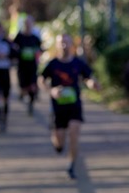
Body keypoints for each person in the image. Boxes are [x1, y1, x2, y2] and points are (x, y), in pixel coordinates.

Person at [41, 32, 96, 178]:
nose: (64, 45)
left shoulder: (78, 63)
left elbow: (88, 77)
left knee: (73, 134)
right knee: (59, 142)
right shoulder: (53, 64)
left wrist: (92, 84)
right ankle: (58, 145)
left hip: (74, 106)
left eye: (67, 42)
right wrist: (51, 91)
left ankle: (72, 165)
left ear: (72, 45)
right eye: (61, 42)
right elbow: (41, 80)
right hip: (58, 108)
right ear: (57, 45)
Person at [13, 14, 43, 114]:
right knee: (23, 86)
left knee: (32, 85)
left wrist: (37, 55)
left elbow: (40, 49)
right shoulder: (19, 36)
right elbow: (13, 47)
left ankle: (31, 103)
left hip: (32, 65)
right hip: (22, 65)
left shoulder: (35, 38)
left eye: (29, 23)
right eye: (26, 23)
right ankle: (23, 93)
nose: (28, 25)